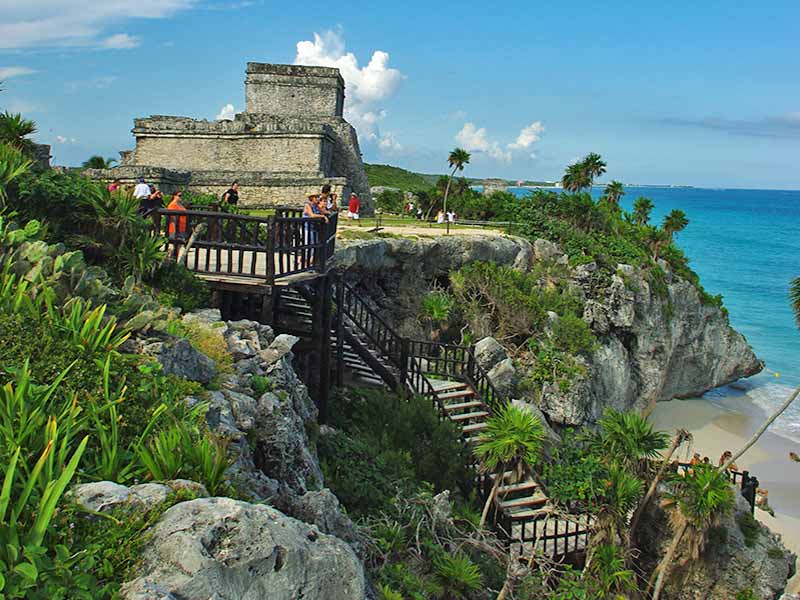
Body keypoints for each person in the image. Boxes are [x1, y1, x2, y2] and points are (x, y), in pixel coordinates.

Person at [303, 194, 328, 265]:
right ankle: (304, 262)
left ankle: (309, 262)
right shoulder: (307, 205)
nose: (317, 199)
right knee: (307, 245)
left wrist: (327, 212)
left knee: (314, 245)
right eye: (316, 197)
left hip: (314, 228)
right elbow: (312, 215)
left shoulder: (315, 205)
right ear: (312, 198)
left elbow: (322, 211)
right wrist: (323, 216)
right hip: (307, 228)